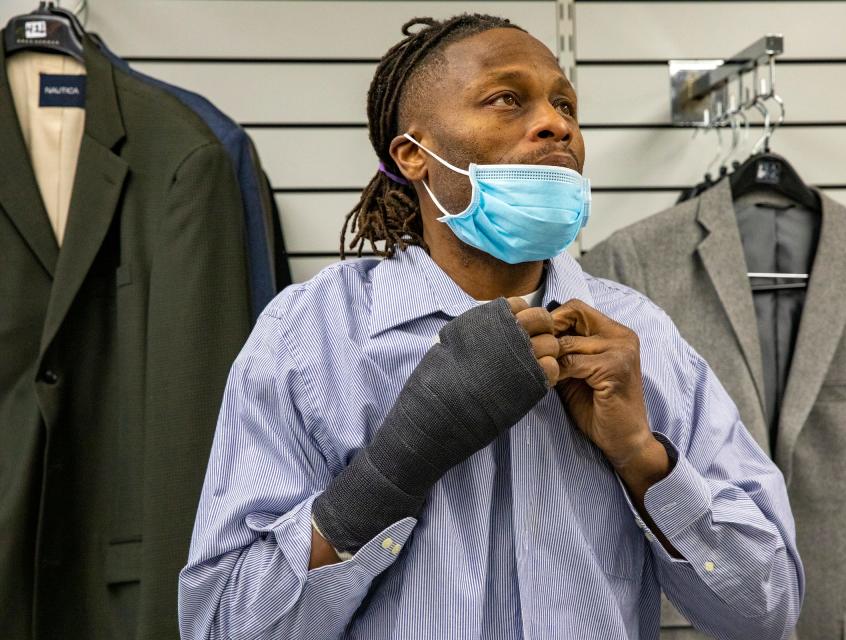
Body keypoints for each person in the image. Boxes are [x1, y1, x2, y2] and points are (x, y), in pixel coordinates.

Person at [179, 14, 803, 640]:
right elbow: (218, 624)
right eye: (506, 99)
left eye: (566, 104)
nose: (558, 123)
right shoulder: (312, 335)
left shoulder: (642, 337)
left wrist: (642, 457)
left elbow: (766, 613)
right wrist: (395, 465)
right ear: (412, 154)